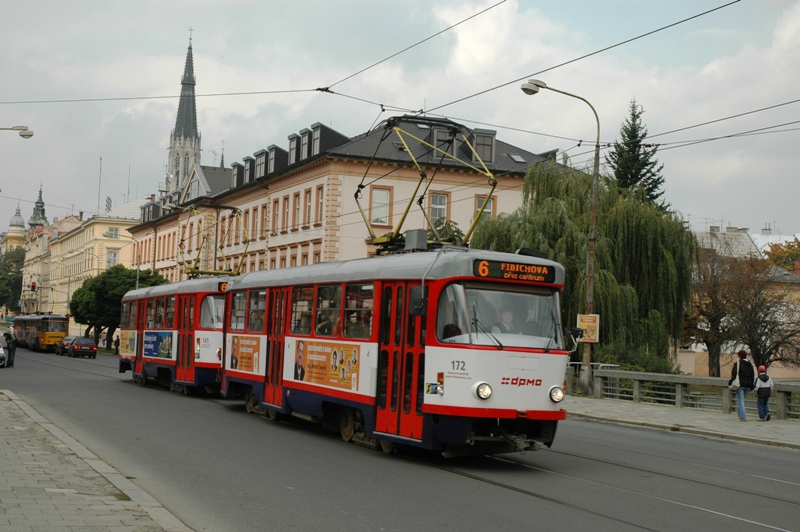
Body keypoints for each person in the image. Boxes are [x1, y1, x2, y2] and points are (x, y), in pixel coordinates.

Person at [728, 349, 756, 422]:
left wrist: (730, 383)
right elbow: (752, 375)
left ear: (739, 356)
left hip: (740, 384)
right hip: (748, 385)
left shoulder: (738, 363)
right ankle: (740, 416)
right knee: (741, 400)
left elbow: (734, 375)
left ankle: (743, 417)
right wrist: (752, 385)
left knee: (740, 400)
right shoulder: (750, 364)